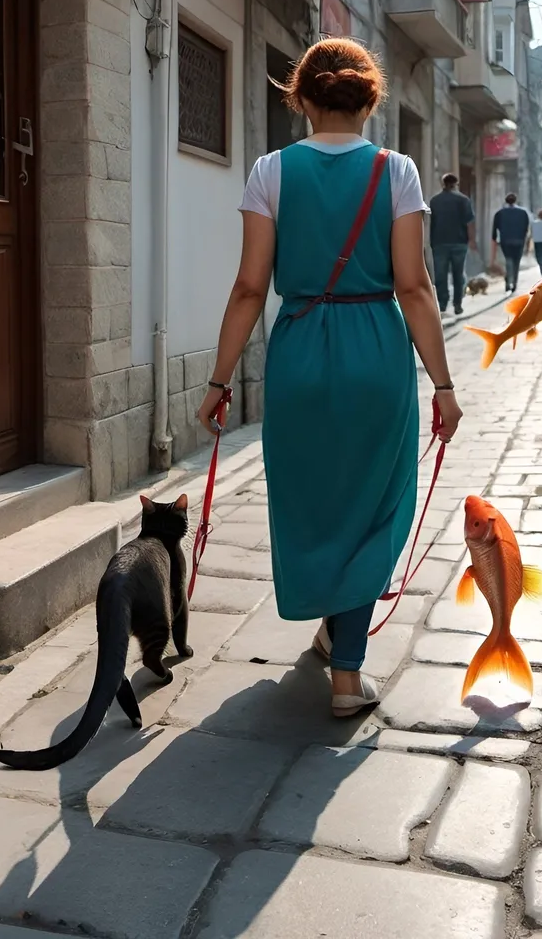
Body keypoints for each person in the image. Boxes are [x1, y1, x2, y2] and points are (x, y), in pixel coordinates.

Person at [196, 39, 462, 717]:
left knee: (312, 499)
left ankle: (329, 629)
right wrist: (443, 384)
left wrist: (219, 381)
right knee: (375, 502)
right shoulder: (396, 171)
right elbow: (415, 286)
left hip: (299, 355)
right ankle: (347, 673)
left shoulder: (271, 171)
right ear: (369, 100)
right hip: (377, 351)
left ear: (303, 100)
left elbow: (250, 289)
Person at [429, 173, 476, 316]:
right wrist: (472, 240)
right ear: (456, 184)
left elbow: (433, 223)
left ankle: (442, 304)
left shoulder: (434, 201)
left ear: (443, 184)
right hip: (459, 243)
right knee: (458, 275)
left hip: (439, 242)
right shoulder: (463, 200)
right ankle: (457, 304)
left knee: (440, 275)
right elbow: (469, 223)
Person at [491, 193, 531, 293]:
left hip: (505, 240)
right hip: (519, 240)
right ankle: (515, 283)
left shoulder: (499, 213)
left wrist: (495, 239)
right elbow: (526, 229)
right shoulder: (523, 212)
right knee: (516, 262)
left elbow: (494, 228)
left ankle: (508, 281)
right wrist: (525, 240)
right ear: (515, 200)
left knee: (508, 260)